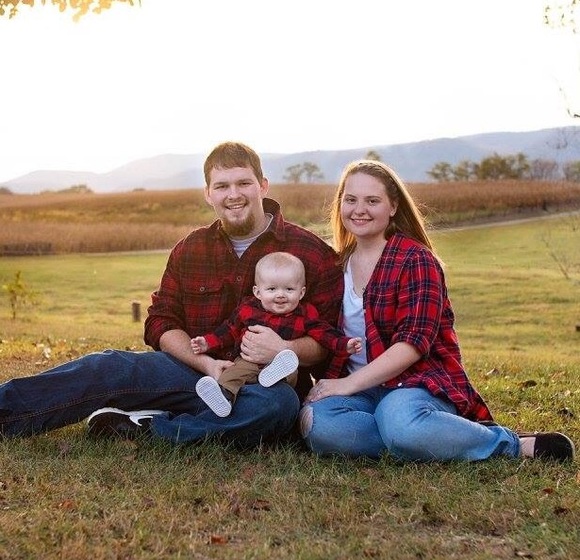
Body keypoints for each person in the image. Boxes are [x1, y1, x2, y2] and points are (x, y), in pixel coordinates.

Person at [0, 142, 343, 448]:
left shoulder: (310, 252)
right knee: (107, 366)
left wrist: (284, 348)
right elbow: (160, 322)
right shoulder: (190, 249)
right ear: (208, 193)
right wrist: (205, 364)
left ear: (262, 186)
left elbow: (326, 341)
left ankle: (146, 427)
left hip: (262, 385)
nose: (233, 194)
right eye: (221, 186)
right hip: (190, 373)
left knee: (276, 407)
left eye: (243, 183)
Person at [299, 159, 575, 462]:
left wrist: (347, 384)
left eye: (372, 201)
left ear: (393, 207)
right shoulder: (337, 264)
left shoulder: (416, 260)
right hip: (362, 394)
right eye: (350, 199)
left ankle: (508, 444)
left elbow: (411, 345)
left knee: (399, 420)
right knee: (319, 425)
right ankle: (424, 437)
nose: (359, 209)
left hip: (415, 383)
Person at [191, 251, 362, 417]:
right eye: (272, 289)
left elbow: (324, 333)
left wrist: (343, 344)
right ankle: (223, 396)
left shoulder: (305, 314)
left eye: (289, 289)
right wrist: (207, 342)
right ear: (258, 292)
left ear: (301, 292)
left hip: (282, 366)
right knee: (232, 374)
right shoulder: (248, 310)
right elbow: (228, 330)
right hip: (249, 361)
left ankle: (273, 376)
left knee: (289, 367)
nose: (280, 295)